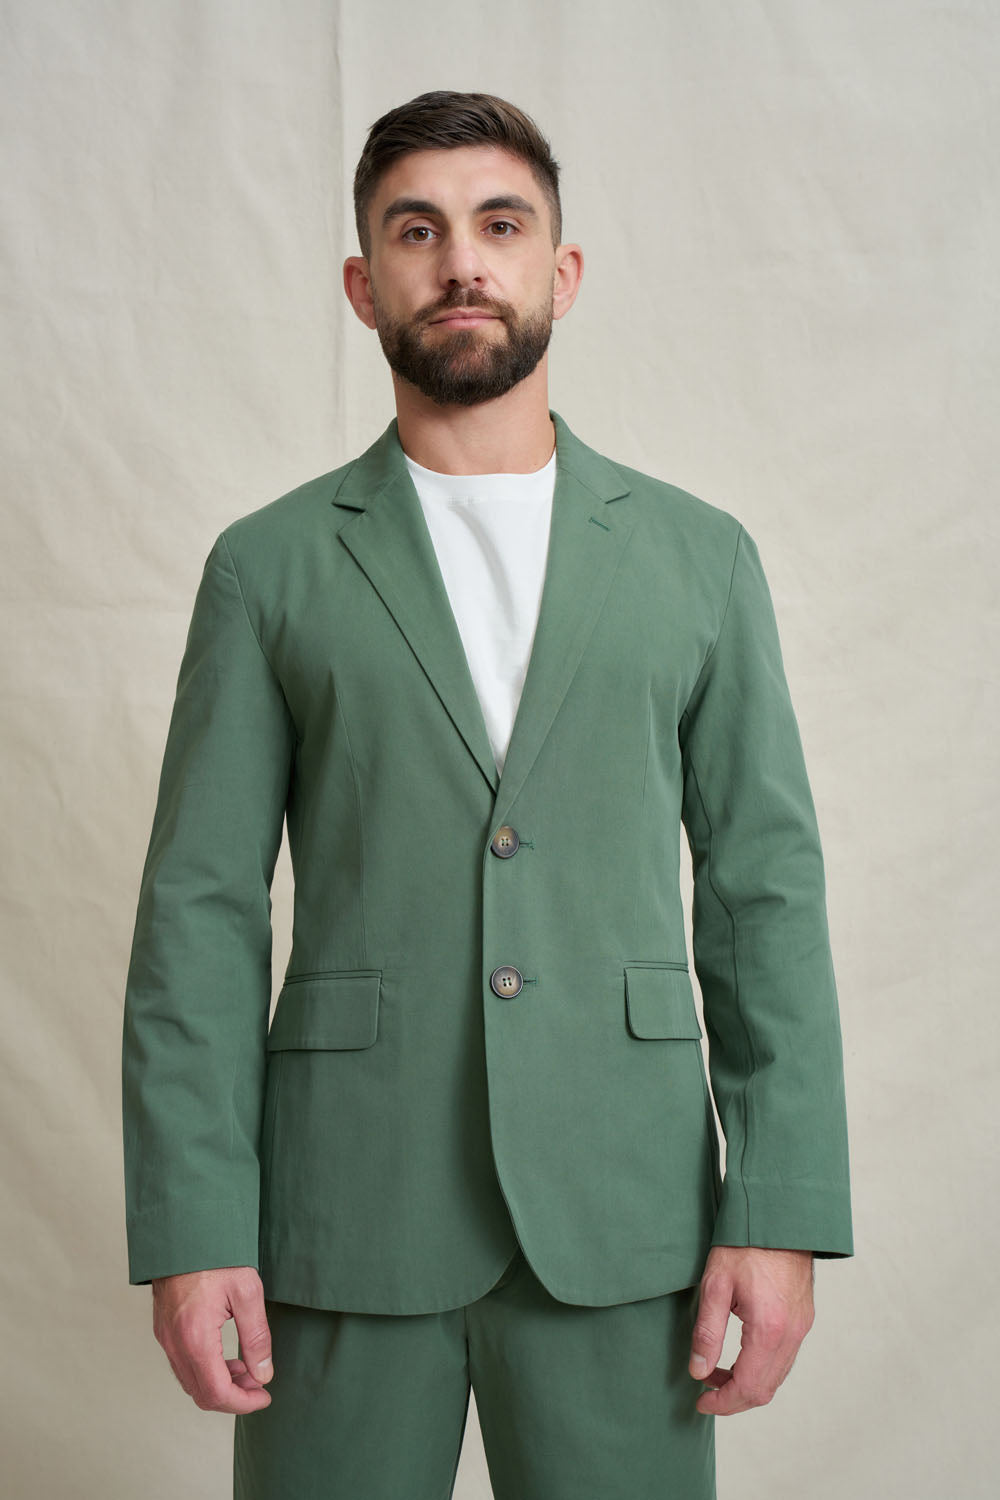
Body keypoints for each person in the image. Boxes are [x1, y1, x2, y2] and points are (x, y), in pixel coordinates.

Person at [121, 90, 853, 1500]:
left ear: (560, 272)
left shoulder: (700, 559)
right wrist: (194, 1226)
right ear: (363, 285)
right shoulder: (266, 568)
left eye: (500, 225)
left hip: (626, 1213)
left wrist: (779, 1207)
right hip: (343, 1212)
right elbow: (199, 917)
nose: (462, 261)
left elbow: (765, 897)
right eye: (418, 231)